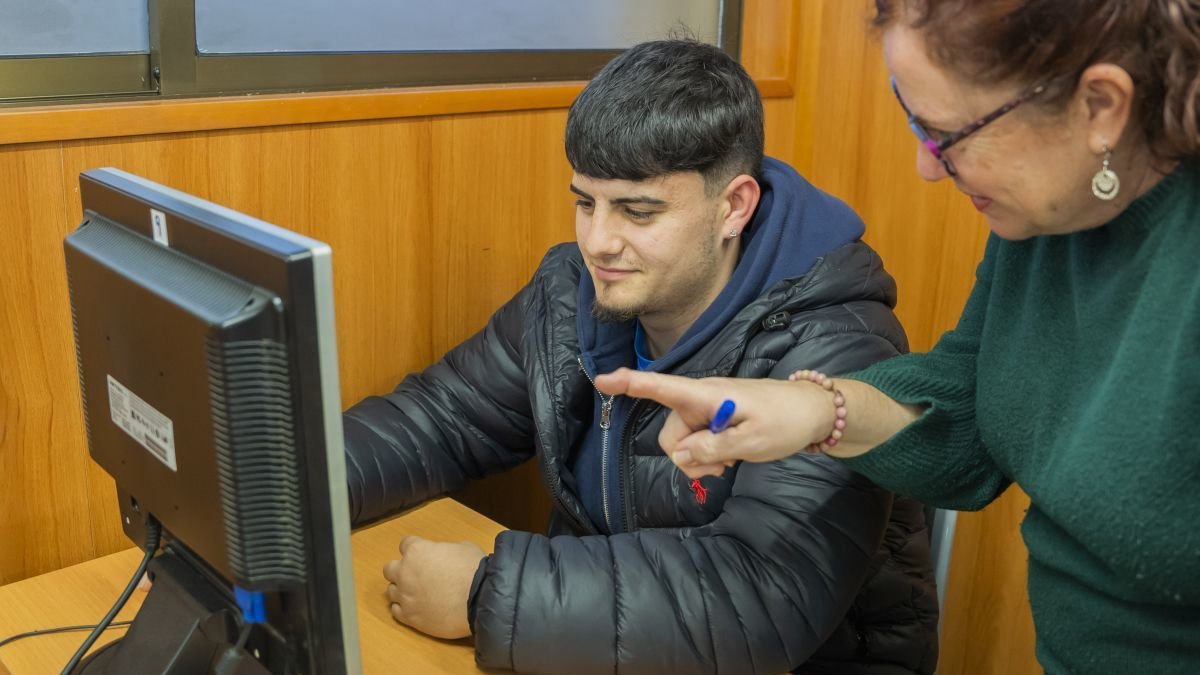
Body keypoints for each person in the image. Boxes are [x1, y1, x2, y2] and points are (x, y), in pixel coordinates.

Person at [594, 3, 1200, 674]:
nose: (927, 166)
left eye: (948, 134)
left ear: (1101, 106)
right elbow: (969, 413)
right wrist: (815, 409)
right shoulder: (1049, 216)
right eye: (915, 121)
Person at [342, 39, 939, 674]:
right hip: (601, 641)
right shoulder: (573, 292)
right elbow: (441, 417)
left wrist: (486, 593)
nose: (598, 242)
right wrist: (280, 484)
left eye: (638, 211)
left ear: (733, 206)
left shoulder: (835, 344)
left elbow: (759, 597)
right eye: (585, 202)